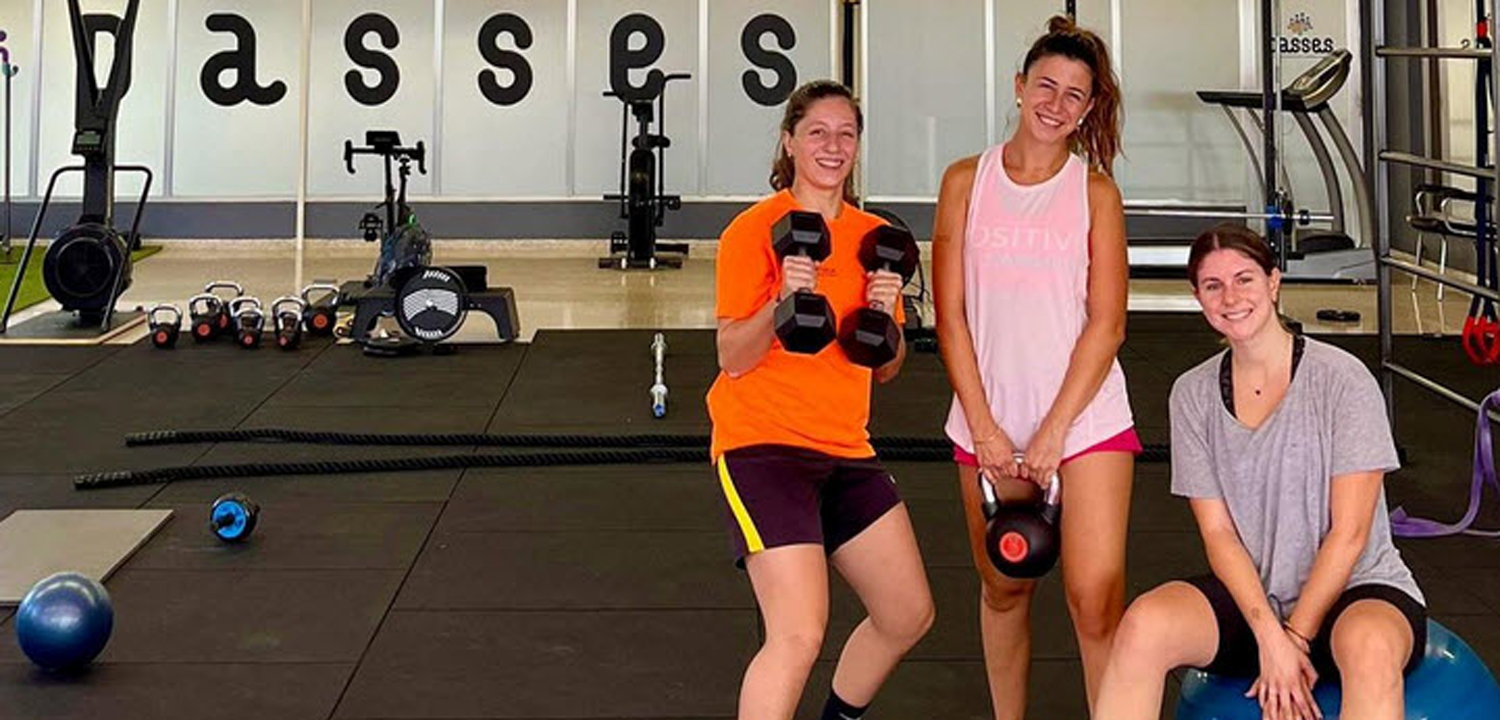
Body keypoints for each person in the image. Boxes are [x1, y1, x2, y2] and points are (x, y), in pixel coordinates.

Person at [1095, 224, 1426, 720]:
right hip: (1253, 598)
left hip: (1356, 590)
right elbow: (1218, 532)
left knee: (1371, 648)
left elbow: (1351, 534)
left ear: (1273, 282)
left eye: (1244, 279)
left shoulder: (1342, 381)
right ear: (1198, 297)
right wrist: (1270, 636)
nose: (1231, 297)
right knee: (1143, 625)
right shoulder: (1192, 394)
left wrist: (1295, 636)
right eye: (1213, 285)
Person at [707, 79, 935, 720]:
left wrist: (887, 313)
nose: (833, 146)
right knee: (799, 633)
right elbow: (732, 355)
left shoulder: (876, 239)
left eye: (846, 134)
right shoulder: (751, 232)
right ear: (789, 141)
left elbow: (884, 367)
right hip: (762, 448)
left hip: (845, 450)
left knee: (907, 613)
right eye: (817, 132)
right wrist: (782, 303)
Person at [931, 15, 1138, 718]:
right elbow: (950, 314)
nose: (1056, 103)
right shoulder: (965, 181)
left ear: (1087, 111)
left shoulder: (1096, 194)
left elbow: (1107, 323)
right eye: (1045, 85)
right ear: (1019, 88)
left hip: (1084, 422)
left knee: (1094, 600)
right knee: (1004, 587)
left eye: (1074, 95)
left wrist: (1052, 434)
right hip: (987, 421)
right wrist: (987, 429)